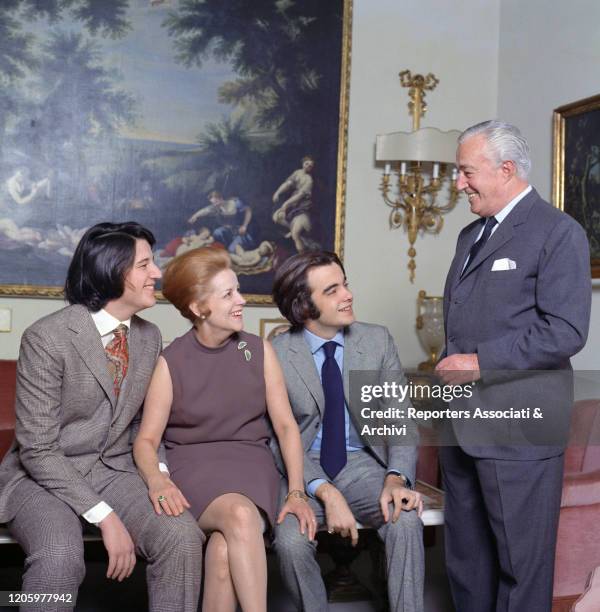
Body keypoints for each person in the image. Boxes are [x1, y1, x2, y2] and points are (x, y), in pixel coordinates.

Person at [0, 222, 204, 612]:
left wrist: (158, 474)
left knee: (182, 536)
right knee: (59, 555)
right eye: (145, 265)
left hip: (114, 470)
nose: (157, 273)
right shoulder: (46, 337)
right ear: (113, 270)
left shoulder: (149, 336)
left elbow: (147, 425)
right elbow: (38, 450)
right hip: (44, 477)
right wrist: (107, 518)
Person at [435, 120, 592, 612]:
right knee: (466, 563)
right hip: (462, 427)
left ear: (505, 169)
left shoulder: (559, 233)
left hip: (519, 430)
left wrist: (481, 363)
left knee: (520, 568)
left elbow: (566, 331)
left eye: (466, 172)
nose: (458, 184)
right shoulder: (469, 236)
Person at [133, 247, 316, 612]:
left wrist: (296, 492)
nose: (242, 300)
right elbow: (146, 440)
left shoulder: (258, 350)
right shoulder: (171, 362)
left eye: (238, 290)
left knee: (221, 552)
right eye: (229, 294)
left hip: (251, 466)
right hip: (193, 470)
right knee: (239, 517)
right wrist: (157, 480)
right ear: (200, 308)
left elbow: (285, 426)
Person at [270, 250, 425, 612]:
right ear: (304, 306)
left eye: (346, 284)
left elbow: (400, 418)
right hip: (301, 468)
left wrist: (396, 478)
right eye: (332, 290)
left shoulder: (376, 341)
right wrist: (323, 491)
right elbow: (274, 439)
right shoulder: (275, 354)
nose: (348, 295)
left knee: (406, 522)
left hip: (361, 463)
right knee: (291, 543)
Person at [272, 156, 316, 252]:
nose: (308, 166)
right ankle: (291, 229)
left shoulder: (309, 180)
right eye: (307, 163)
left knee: (296, 233)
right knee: (277, 217)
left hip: (303, 208)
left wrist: (285, 205)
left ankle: (302, 254)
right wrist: (277, 192)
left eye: (311, 165)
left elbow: (299, 196)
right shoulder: (297, 173)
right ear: (303, 163)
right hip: (293, 206)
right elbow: (287, 184)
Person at [187, 191, 255, 252]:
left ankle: (234, 247)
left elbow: (248, 210)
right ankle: (226, 247)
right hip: (229, 232)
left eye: (216, 202)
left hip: (240, 232)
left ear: (221, 198)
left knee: (232, 250)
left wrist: (244, 226)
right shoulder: (216, 207)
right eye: (213, 203)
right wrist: (194, 216)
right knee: (217, 232)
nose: (215, 205)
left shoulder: (234, 203)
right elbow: (205, 210)